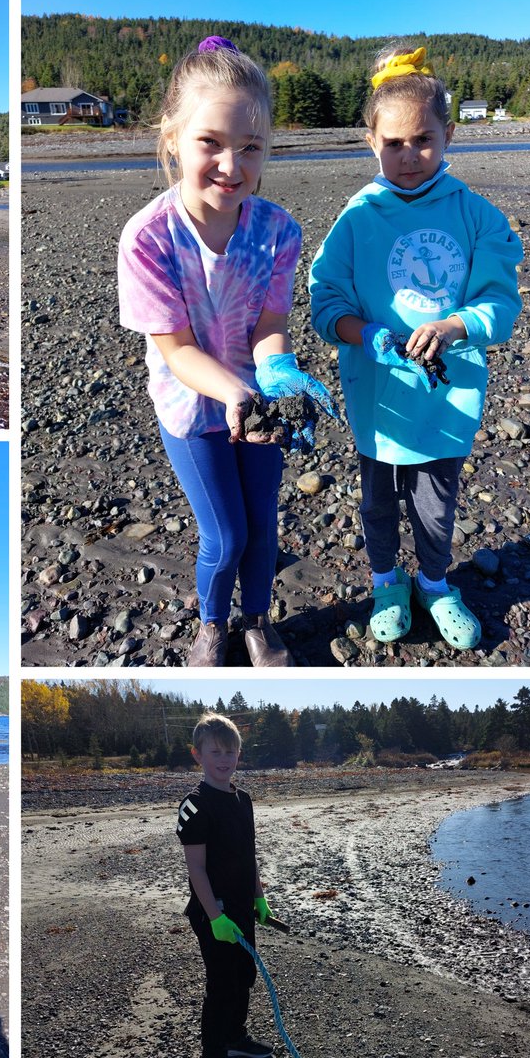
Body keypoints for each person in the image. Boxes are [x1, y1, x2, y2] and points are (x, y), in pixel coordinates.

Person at [118, 36, 337, 668]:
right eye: (210, 142)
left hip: (259, 399)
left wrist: (277, 368)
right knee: (226, 533)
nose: (230, 164)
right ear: (172, 139)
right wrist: (233, 391)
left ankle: (258, 622)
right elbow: (177, 349)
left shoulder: (278, 230)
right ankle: (212, 626)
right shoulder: (148, 239)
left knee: (263, 525)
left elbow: (270, 322)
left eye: (250, 147)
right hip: (190, 405)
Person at [309, 44, 523, 651]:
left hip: (446, 396)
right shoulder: (356, 218)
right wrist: (364, 334)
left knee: (435, 503)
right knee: (377, 502)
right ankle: (386, 582)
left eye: (424, 140)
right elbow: (325, 300)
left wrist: (456, 325)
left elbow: (500, 302)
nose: (409, 156)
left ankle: (433, 583)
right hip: (377, 396)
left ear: (448, 135)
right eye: (394, 143)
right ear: (371, 142)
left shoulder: (477, 216)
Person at [176, 710, 274, 1058]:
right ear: (197, 754)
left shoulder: (243, 800)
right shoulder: (195, 805)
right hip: (212, 912)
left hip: (241, 907)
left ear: (239, 755)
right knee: (221, 983)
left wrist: (259, 897)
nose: (224, 759)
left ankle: (235, 1038)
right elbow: (196, 868)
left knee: (243, 975)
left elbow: (249, 855)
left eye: (230, 752)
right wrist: (215, 916)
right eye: (215, 752)